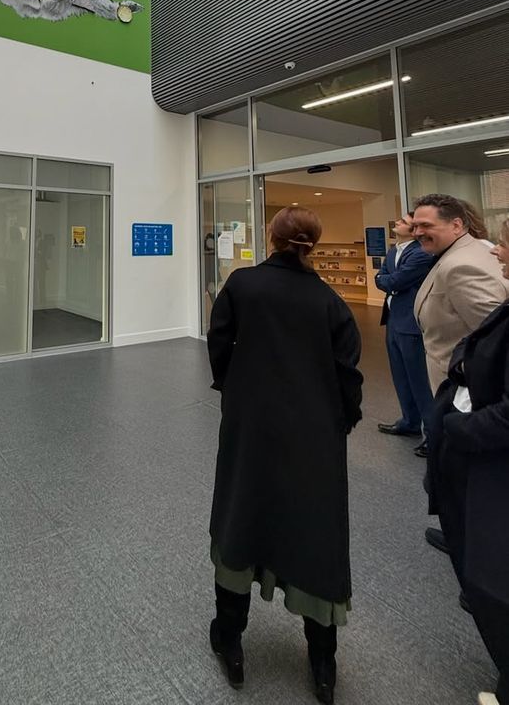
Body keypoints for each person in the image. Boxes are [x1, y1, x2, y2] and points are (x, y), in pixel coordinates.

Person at [207, 207, 362, 705]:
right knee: (316, 527)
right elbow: (348, 372)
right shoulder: (328, 302)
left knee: (240, 510)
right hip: (313, 431)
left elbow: (220, 342)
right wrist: (342, 418)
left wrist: (234, 388)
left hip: (251, 423)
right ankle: (321, 660)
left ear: (270, 238)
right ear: (312, 244)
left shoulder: (243, 284)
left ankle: (229, 637)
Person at [426, 219, 509, 705]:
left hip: (483, 446)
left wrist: (458, 428)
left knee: (489, 560)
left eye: (504, 245)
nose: (497, 253)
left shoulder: (462, 265)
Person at [412, 193, 509, 553]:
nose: (419, 231)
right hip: (458, 391)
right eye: (416, 224)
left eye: (427, 225)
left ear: (456, 225)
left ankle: (477, 561)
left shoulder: (461, 265)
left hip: (468, 397)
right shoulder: (452, 255)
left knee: (465, 480)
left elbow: (493, 331)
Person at [375, 212, 435, 456]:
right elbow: (383, 277)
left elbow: (394, 281)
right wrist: (386, 279)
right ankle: (409, 421)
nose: (396, 223)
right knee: (400, 375)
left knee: (419, 379)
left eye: (402, 222)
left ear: (413, 230)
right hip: (393, 320)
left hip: (410, 323)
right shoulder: (394, 250)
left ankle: (431, 434)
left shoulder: (420, 253)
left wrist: (385, 280)